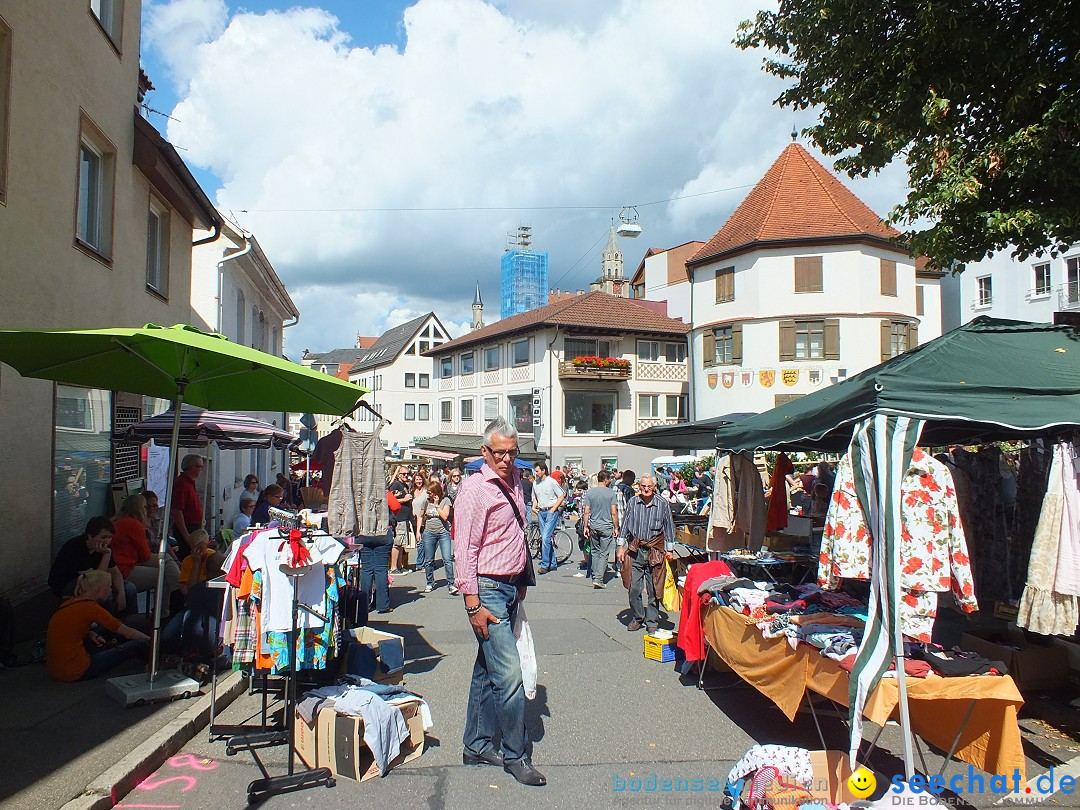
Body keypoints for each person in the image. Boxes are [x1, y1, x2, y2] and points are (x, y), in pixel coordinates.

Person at [453, 417, 545, 787]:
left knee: (484, 670)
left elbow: (514, 535)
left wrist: (521, 579)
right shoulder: (475, 490)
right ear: (484, 452)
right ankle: (515, 754)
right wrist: (473, 604)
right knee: (509, 674)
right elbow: (465, 549)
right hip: (487, 589)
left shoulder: (517, 482)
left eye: (512, 452)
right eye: (499, 453)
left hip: (509, 588)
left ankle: (475, 745)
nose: (506, 459)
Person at [47, 570, 150, 681]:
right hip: (77, 670)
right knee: (139, 644)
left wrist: (90, 633)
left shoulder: (70, 603)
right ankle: (156, 659)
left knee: (107, 632)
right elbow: (128, 632)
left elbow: (71, 630)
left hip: (56, 670)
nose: (111, 590)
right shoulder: (91, 608)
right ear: (99, 590)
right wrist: (152, 640)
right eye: (109, 587)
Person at [617, 475, 675, 633]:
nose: (646, 489)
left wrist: (669, 550)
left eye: (649, 486)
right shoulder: (633, 503)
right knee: (634, 587)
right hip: (636, 550)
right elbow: (625, 526)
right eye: (643, 486)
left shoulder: (662, 503)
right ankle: (637, 617)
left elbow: (669, 526)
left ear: (655, 487)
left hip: (655, 551)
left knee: (653, 588)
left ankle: (651, 621)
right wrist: (620, 547)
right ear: (639, 487)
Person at [48, 516, 133, 616]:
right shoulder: (76, 548)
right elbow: (95, 581)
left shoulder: (103, 547)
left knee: (130, 588)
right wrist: (106, 555)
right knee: (105, 595)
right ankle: (106, 626)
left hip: (88, 579)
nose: (107, 541)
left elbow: (115, 572)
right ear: (90, 536)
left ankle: (129, 621)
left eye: (109, 537)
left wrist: (121, 592)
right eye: (103, 537)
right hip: (66, 583)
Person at [112, 493, 180, 602]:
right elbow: (145, 555)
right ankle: (165, 611)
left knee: (166, 559)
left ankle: (181, 588)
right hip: (125, 568)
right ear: (139, 508)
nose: (149, 510)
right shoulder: (134, 524)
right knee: (165, 576)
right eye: (146, 507)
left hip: (126, 562)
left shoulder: (117, 521)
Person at [583, 470, 619, 589]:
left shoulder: (590, 493)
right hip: (606, 526)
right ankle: (599, 578)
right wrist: (616, 527)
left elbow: (586, 511)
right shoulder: (611, 493)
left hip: (594, 525)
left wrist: (585, 526)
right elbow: (614, 512)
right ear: (606, 479)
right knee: (604, 553)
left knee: (595, 551)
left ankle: (595, 575)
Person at [420, 480, 455, 594]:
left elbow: (445, 516)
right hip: (429, 532)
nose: (428, 495)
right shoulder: (426, 502)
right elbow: (420, 516)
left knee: (447, 559)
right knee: (429, 560)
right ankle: (429, 582)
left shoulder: (445, 501)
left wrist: (436, 506)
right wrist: (417, 531)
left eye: (430, 492)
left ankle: (451, 583)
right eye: (428, 493)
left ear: (436, 492)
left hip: (443, 532)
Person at [531, 461, 565, 574]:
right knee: (545, 538)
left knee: (545, 537)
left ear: (543, 470)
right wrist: (534, 507)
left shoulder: (551, 482)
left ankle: (545, 564)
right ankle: (553, 562)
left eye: (537, 471)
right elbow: (536, 496)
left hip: (551, 510)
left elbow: (561, 495)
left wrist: (553, 509)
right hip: (541, 511)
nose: (535, 473)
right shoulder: (536, 483)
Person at [171, 454, 205, 559]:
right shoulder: (182, 484)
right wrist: (187, 536)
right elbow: (176, 510)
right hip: (188, 528)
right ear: (193, 468)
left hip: (194, 527)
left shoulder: (189, 483)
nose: (202, 469)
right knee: (190, 558)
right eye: (200, 466)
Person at [388, 467, 415, 575]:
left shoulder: (404, 485)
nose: (406, 476)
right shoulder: (395, 484)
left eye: (407, 474)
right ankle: (394, 567)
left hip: (404, 517)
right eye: (403, 474)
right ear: (398, 474)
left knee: (401, 543)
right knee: (397, 543)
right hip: (398, 517)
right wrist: (404, 500)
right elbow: (389, 499)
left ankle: (399, 566)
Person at [410, 469, 430, 573]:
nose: (419, 481)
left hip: (424, 519)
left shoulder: (426, 492)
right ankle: (421, 562)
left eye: (420, 479)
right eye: (417, 479)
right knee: (419, 541)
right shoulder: (412, 492)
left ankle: (422, 563)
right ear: (414, 481)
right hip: (414, 520)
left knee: (423, 542)